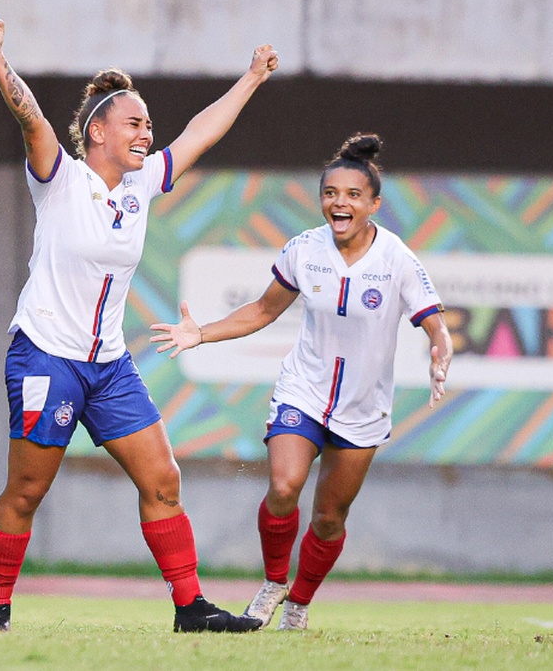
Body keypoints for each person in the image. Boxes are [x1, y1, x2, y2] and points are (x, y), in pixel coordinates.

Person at [0, 16, 277, 633]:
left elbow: (198, 135)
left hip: (108, 365)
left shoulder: (140, 185)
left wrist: (250, 78)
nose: (146, 133)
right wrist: (0, 60)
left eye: (148, 125)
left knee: (163, 478)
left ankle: (190, 609)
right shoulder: (61, 179)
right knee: (27, 493)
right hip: (46, 357)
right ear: (98, 131)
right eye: (134, 123)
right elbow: (31, 119)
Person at [150, 134, 453, 630]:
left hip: (363, 407)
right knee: (285, 485)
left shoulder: (397, 259)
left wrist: (441, 352)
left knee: (330, 518)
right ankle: (273, 583)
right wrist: (200, 333)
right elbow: (264, 310)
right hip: (304, 390)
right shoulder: (304, 250)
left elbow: (435, 324)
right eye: (331, 192)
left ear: (374, 204)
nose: (340, 202)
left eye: (354, 195)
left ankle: (300, 603)